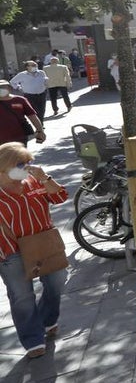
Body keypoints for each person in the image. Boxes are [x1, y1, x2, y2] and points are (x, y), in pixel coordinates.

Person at [0, 142, 68, 358]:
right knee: (22, 296)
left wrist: (45, 178)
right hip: (11, 250)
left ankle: (47, 320)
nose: (27, 166)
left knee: (56, 282)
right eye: (21, 163)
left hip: (44, 243)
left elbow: (59, 197)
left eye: (29, 162)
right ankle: (33, 340)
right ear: (5, 166)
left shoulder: (34, 181)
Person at [0, 81, 45, 146]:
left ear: (9, 88)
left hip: (20, 137)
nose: (1, 89)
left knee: (20, 155)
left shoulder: (20, 100)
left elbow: (32, 116)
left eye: (3, 87)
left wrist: (40, 131)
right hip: (1, 140)